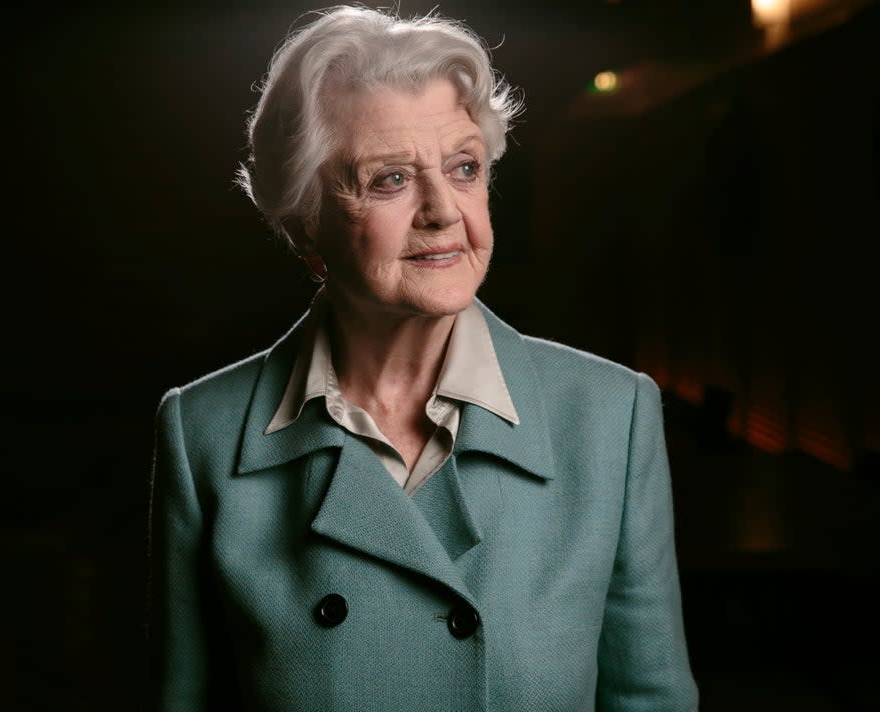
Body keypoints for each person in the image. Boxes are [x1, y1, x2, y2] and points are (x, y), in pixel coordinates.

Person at [148, 6, 698, 711]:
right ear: (305, 218)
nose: (443, 209)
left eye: (464, 167)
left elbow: (651, 699)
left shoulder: (611, 415)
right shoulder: (203, 433)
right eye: (389, 180)